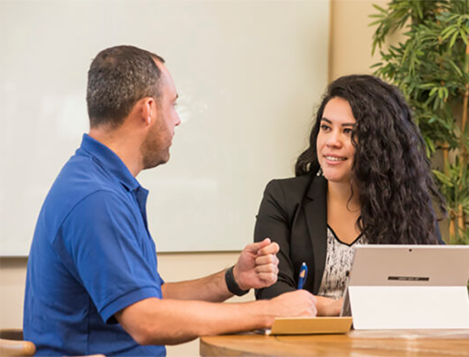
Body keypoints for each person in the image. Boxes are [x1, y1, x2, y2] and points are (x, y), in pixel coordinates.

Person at [23, 45, 317, 357]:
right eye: (172, 105)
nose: (176, 120)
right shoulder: (96, 199)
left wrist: (233, 279)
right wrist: (269, 313)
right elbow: (146, 321)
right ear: (148, 109)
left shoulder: (101, 182)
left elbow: (152, 298)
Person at [253, 75, 445, 316]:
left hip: (382, 345)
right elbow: (269, 289)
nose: (332, 141)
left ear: (379, 143)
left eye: (348, 131)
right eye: (326, 127)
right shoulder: (282, 196)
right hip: (305, 345)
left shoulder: (409, 203)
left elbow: (438, 285)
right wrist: (337, 308)